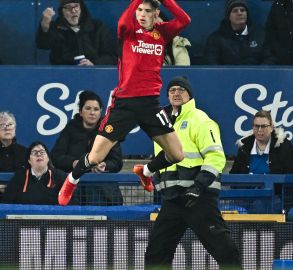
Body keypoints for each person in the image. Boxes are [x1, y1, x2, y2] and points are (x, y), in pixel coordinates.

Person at [57, 0, 191, 206]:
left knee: (177, 154)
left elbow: (185, 19)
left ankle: (145, 172)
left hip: (150, 104)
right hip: (124, 104)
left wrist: (165, 1)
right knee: (94, 158)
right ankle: (71, 180)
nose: (142, 14)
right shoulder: (128, 30)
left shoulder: (162, 33)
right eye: (139, 10)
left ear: (156, 15)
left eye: (147, 11)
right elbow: (123, 20)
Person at [146, 76, 241, 268]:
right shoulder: (162, 125)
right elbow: (164, 159)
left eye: (181, 90)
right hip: (172, 199)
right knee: (156, 253)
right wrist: (154, 177)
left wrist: (198, 186)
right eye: (172, 90)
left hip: (198, 198)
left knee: (225, 250)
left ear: (190, 95)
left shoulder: (201, 120)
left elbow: (216, 157)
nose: (176, 93)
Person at [51, 91, 123, 205]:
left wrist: (105, 166)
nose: (92, 113)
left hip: (101, 192)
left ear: (100, 112)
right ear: (80, 111)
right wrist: (73, 163)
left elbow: (117, 162)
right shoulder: (70, 129)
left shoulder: (108, 131)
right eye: (88, 108)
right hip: (74, 190)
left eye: (96, 109)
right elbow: (56, 157)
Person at [36, 0, 117, 65]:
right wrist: (45, 24)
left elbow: (112, 55)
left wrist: (94, 64)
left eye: (76, 6)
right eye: (68, 8)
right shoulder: (56, 28)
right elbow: (43, 45)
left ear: (82, 8)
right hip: (63, 76)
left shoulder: (98, 27)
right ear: (62, 12)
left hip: (95, 76)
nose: (73, 10)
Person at [230, 110, 293, 174]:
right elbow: (234, 176)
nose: (259, 130)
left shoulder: (284, 146)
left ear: (271, 128)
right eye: (256, 126)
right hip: (249, 187)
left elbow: (292, 175)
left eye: (263, 126)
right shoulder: (244, 148)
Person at [204, 0, 264, 65]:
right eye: (235, 11)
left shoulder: (260, 35)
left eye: (242, 10)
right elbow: (212, 64)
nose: (239, 13)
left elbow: (269, 58)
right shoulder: (215, 39)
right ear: (228, 16)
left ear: (247, 14)